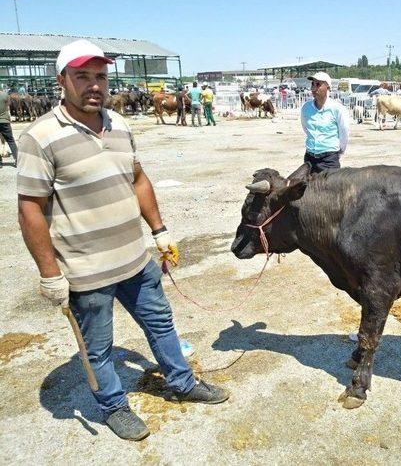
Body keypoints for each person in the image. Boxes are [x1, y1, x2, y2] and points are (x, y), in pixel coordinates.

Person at [16, 39, 229, 442]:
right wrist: (50, 274)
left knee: (162, 324)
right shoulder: (40, 137)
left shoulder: (119, 124)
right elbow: (29, 207)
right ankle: (114, 407)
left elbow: (137, 179)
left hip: (136, 259)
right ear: (62, 79)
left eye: (100, 76)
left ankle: (182, 383)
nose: (94, 85)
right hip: (85, 271)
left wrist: (159, 230)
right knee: (99, 347)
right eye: (82, 77)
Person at [300, 71, 349, 174]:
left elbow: (344, 133)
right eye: (312, 84)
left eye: (318, 84)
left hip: (329, 161)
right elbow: (306, 128)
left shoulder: (337, 109)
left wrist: (336, 154)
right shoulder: (306, 108)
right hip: (310, 160)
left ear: (328, 87)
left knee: (331, 189)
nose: (314, 88)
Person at [0, 88, 18, 167]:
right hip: (5, 121)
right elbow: (8, 106)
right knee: (11, 140)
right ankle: (17, 160)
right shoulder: (5, 95)